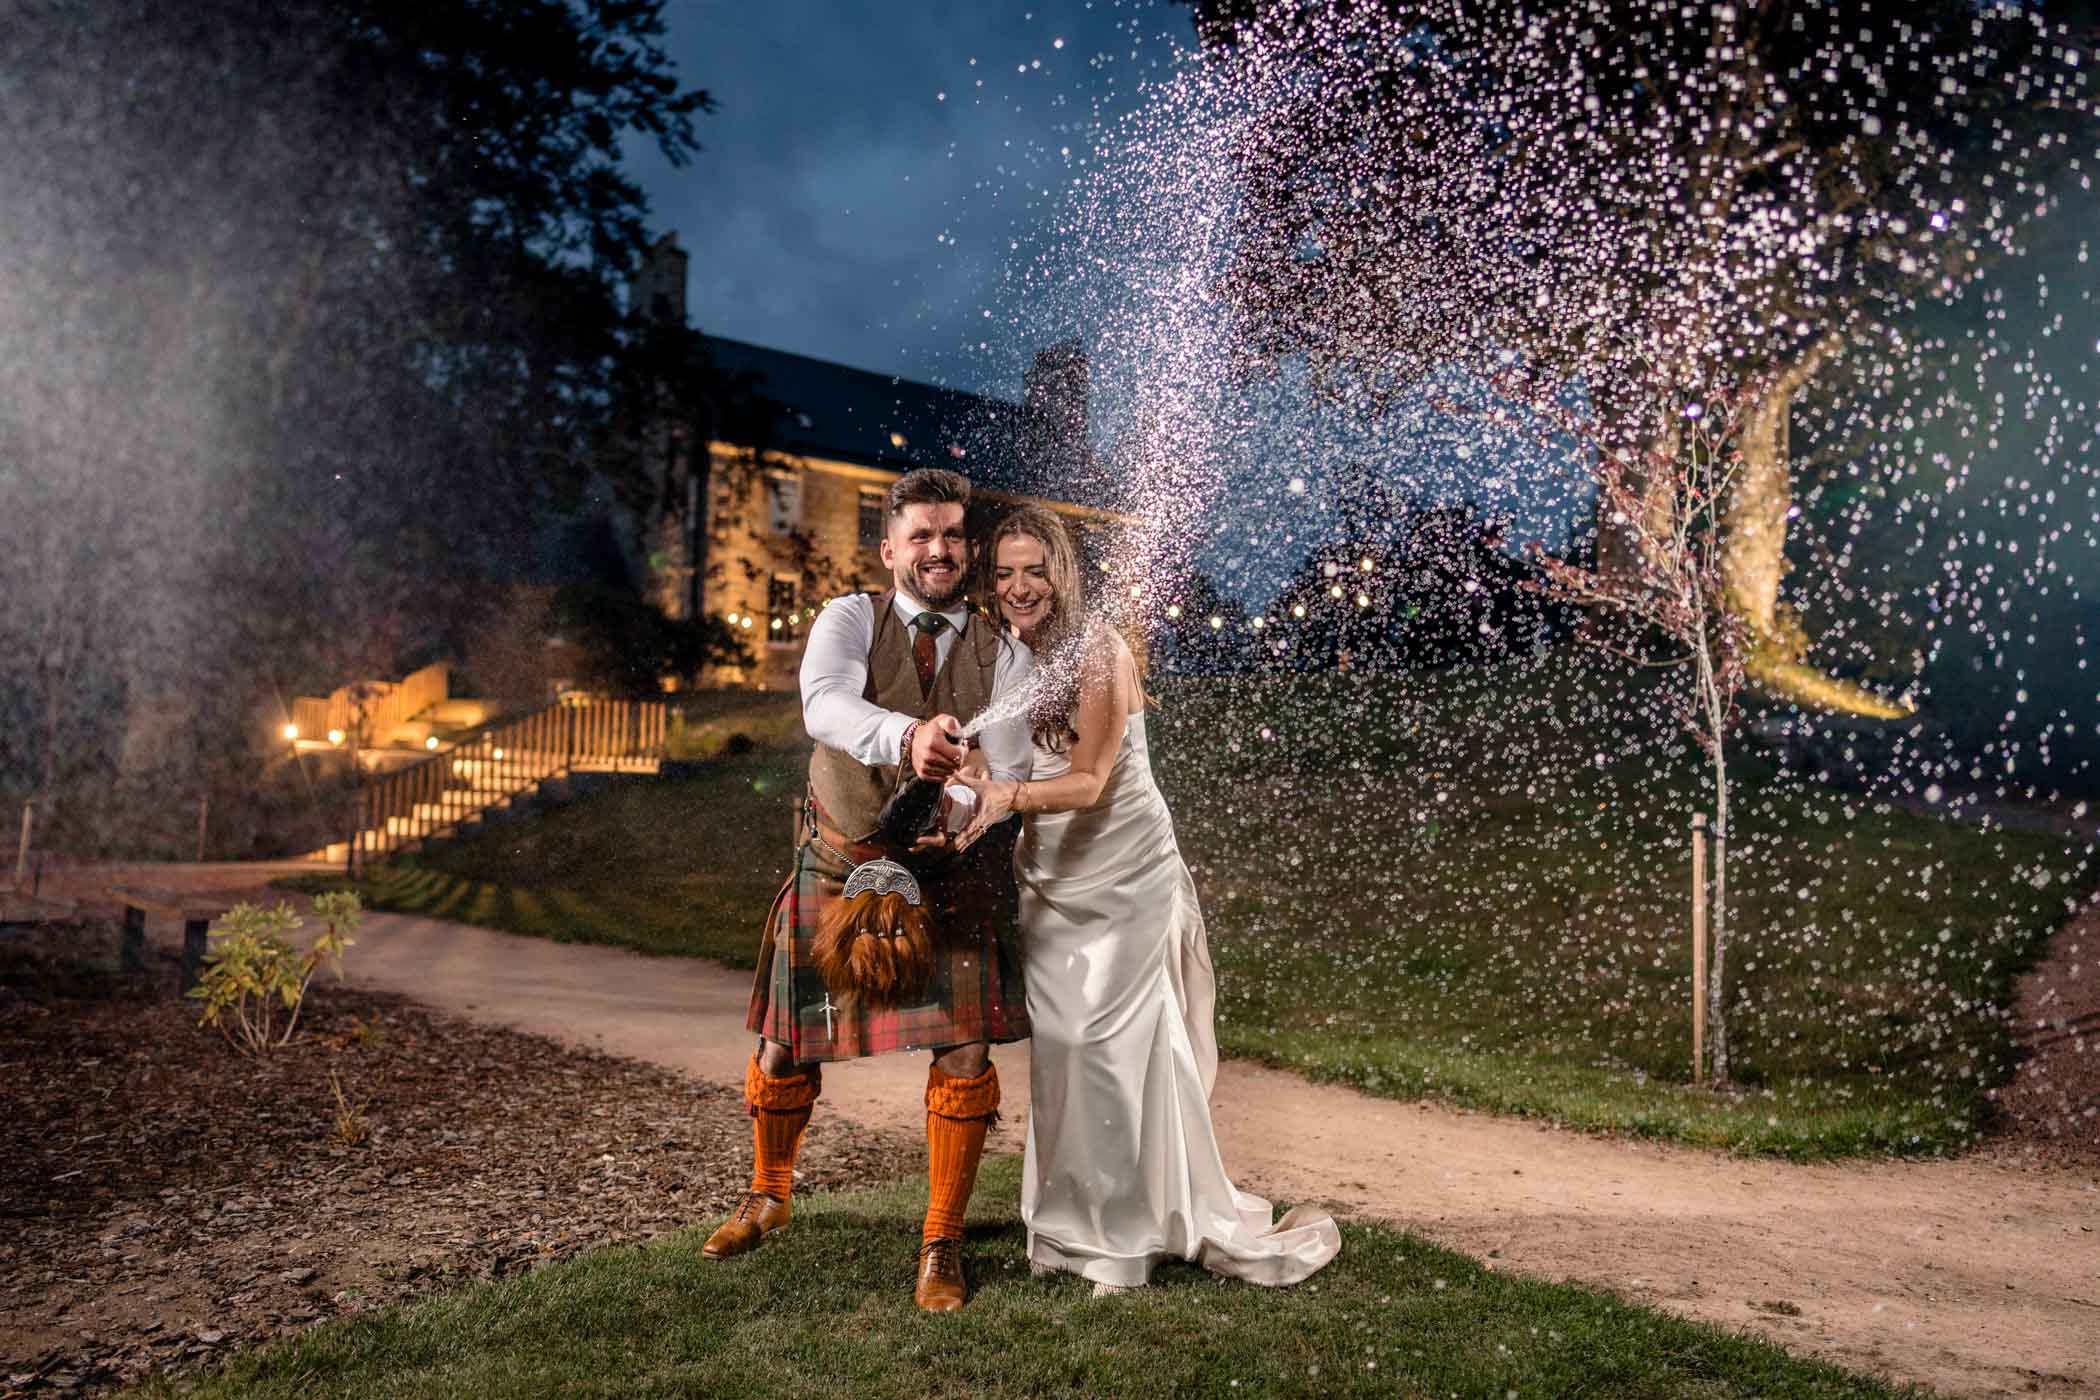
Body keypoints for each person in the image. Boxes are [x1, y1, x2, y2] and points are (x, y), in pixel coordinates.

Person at [953, 506, 1340, 1294]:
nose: (1018, 587)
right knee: (1064, 1049)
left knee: (1113, 1048)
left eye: (1033, 570)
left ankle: (1129, 1236)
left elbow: (1091, 782)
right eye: (1003, 573)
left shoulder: (1097, 650)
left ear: (1061, 572)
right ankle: (1071, 1228)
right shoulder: (1008, 657)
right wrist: (971, 784)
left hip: (1123, 873)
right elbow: (1007, 761)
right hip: (1051, 876)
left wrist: (1007, 797)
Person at [704, 467, 1035, 1314]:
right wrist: (908, 734)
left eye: (953, 535)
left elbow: (1010, 762)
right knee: (787, 1040)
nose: (938, 550)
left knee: (964, 1051)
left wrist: (962, 801)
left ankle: (941, 1241)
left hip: (949, 874)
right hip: (840, 858)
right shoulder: (848, 617)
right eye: (920, 535)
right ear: (889, 548)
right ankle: (768, 1194)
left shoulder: (1008, 651)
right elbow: (824, 705)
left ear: (970, 546)